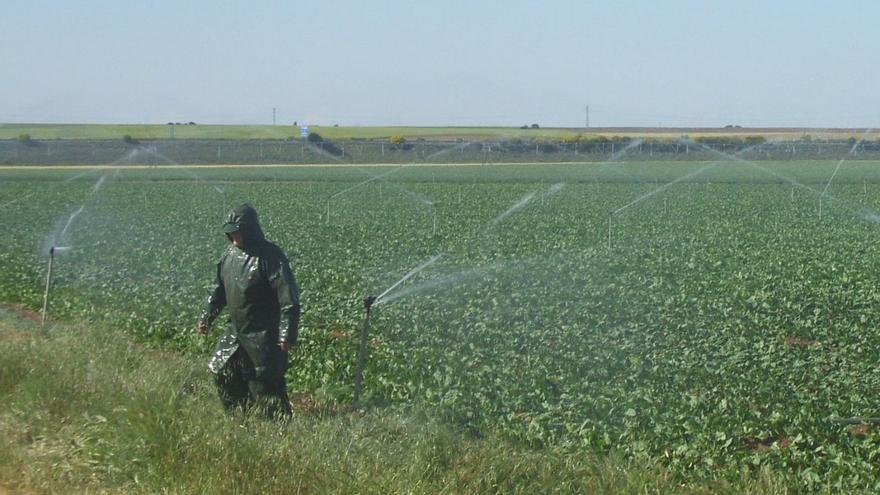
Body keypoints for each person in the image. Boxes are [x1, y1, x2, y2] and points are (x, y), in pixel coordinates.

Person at [197, 203, 300, 418]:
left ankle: (278, 431)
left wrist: (286, 333)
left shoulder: (270, 256)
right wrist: (207, 315)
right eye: (231, 234)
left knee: (264, 385)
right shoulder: (229, 255)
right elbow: (217, 290)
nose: (235, 238)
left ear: (250, 230)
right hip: (235, 331)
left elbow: (288, 296)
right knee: (221, 370)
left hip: (263, 334)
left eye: (238, 233)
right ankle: (240, 417)